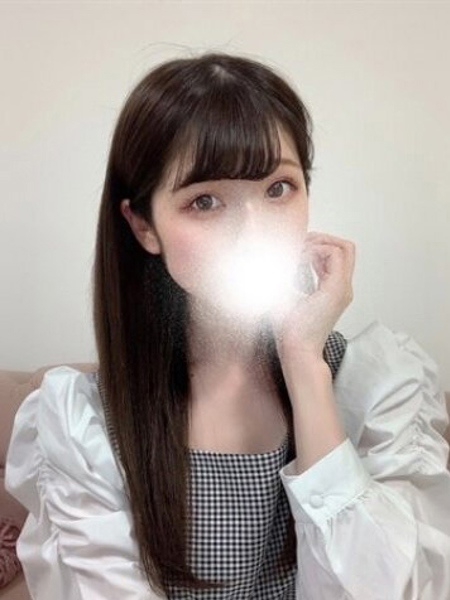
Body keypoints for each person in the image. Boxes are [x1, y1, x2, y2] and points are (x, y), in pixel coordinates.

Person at [5, 51, 450, 600]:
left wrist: (304, 364)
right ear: (144, 227)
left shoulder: (380, 387)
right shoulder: (84, 423)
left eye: (279, 188)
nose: (254, 230)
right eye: (205, 201)